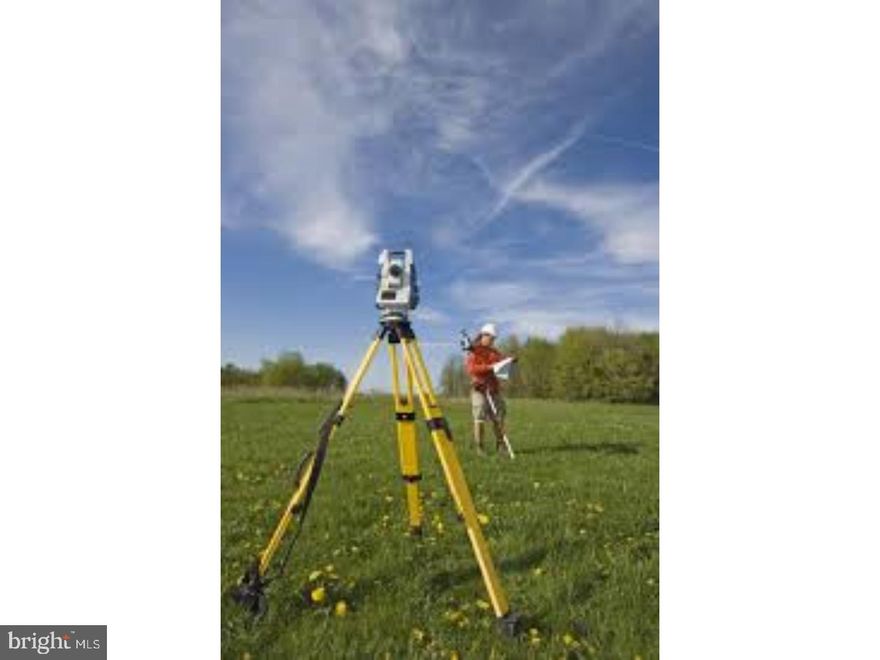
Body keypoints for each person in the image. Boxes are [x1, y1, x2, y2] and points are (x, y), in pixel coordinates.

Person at [465, 323, 514, 455]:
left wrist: (509, 361)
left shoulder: (495, 352)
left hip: (493, 389)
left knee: (499, 417)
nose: (492, 340)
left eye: (494, 338)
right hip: (479, 388)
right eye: (490, 337)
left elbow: (500, 364)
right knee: (479, 418)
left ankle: (501, 446)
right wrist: (490, 367)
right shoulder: (473, 350)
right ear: (483, 335)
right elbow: (471, 369)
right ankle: (479, 448)